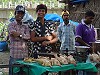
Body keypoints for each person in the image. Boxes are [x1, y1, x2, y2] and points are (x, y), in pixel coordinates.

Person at [8, 5, 30, 75]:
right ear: (15, 13)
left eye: (22, 13)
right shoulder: (11, 25)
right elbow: (13, 33)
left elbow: (28, 37)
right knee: (14, 73)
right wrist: (23, 36)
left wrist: (19, 35)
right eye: (18, 13)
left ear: (24, 15)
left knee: (23, 73)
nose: (20, 15)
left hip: (24, 56)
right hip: (15, 56)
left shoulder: (25, 26)